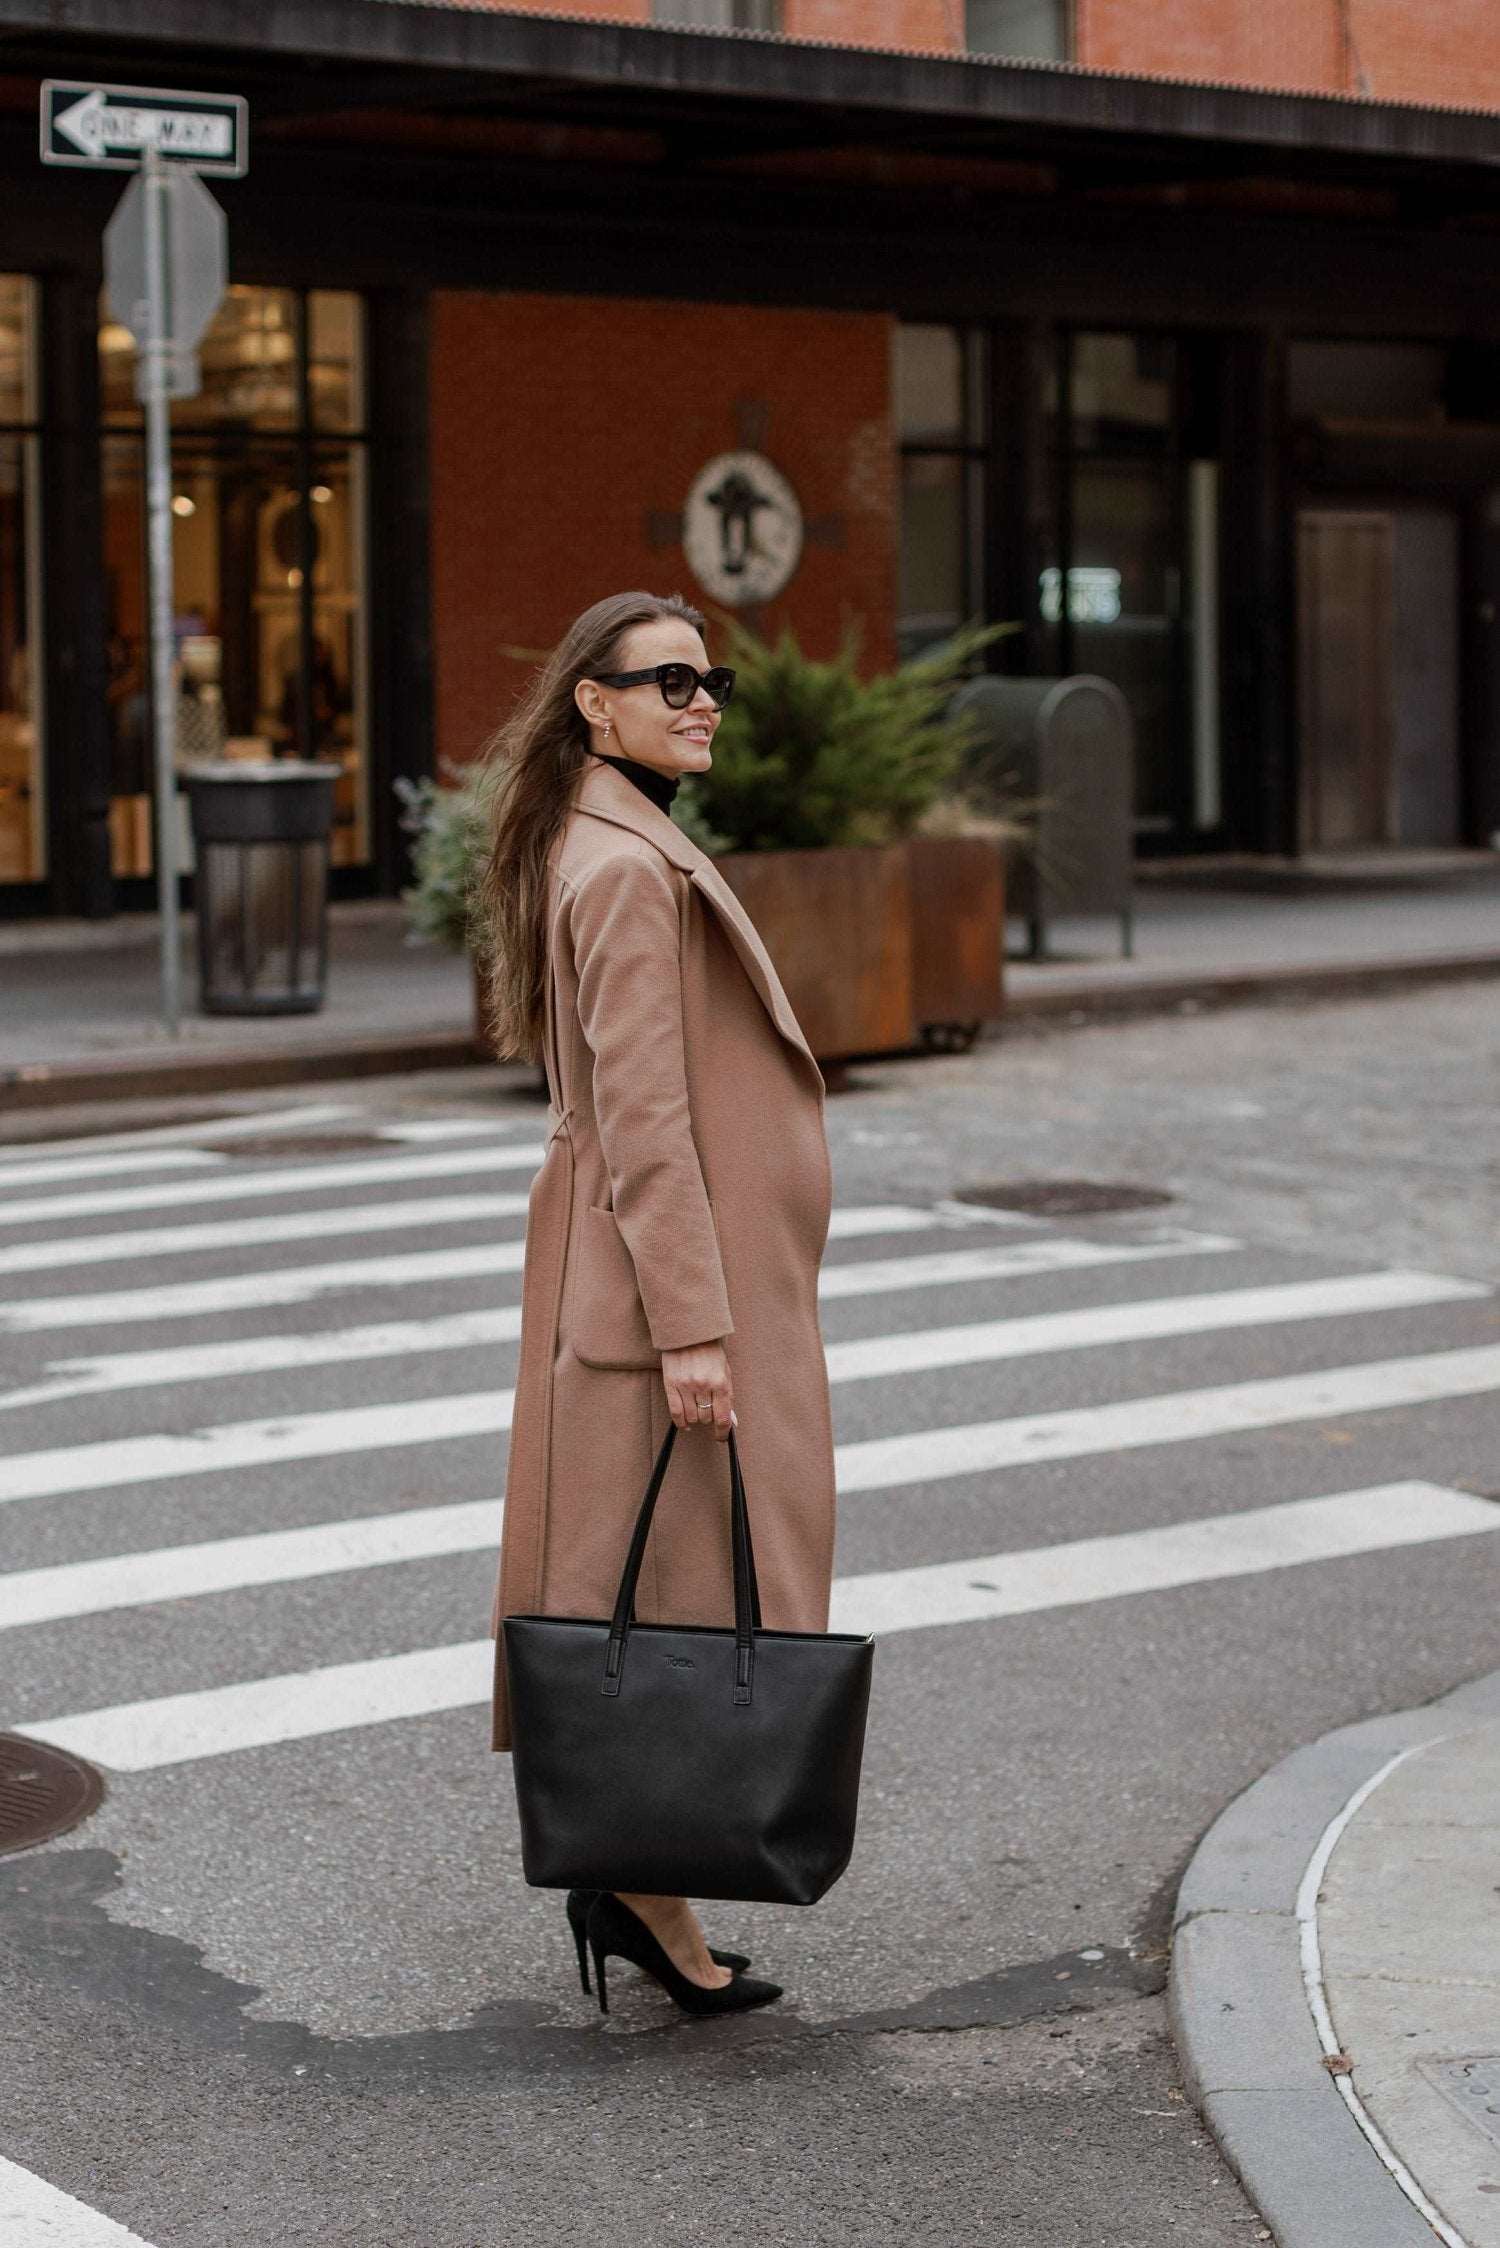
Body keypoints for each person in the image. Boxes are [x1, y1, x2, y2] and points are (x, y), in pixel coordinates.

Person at [478, 590, 837, 2019]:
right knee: (662, 1603)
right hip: (662, 1293)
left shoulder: (609, 837)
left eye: (712, 681)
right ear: (596, 702)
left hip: (646, 1277)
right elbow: (643, 1114)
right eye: (669, 682)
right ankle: (639, 1885)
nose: (701, 704)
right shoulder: (625, 863)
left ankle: (644, 1893)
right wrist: (693, 1324)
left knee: (656, 1596)